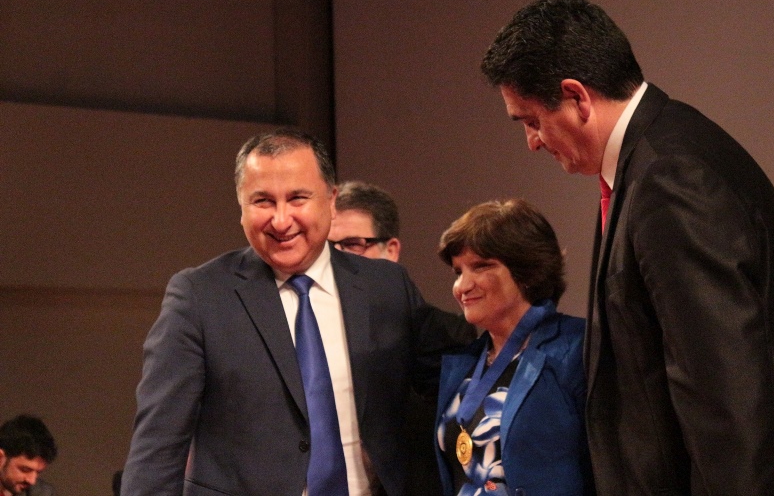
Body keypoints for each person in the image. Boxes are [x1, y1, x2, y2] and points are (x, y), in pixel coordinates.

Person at [481, 0, 774, 495]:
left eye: (533, 121)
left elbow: (726, 400)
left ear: (577, 97)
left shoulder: (671, 177)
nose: (533, 142)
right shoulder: (651, 162)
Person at [121, 128, 475, 496]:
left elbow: (460, 377)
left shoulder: (385, 287)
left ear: (331, 201)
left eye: (297, 198)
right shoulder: (200, 297)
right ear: (241, 207)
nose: (280, 220)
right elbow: (157, 448)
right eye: (263, 201)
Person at [435, 199, 590, 495]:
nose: (462, 286)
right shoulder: (465, 362)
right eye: (458, 271)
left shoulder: (576, 349)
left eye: (481, 266)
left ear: (527, 271)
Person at [328, 180, 474, 496]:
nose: (337, 260)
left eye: (352, 244)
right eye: (328, 248)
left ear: (391, 250)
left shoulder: (447, 340)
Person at [0, 415, 57, 496]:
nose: (32, 481)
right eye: (25, 470)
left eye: (38, 472)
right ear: (0, 458)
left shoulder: (43, 493)